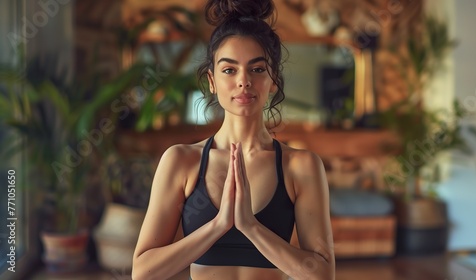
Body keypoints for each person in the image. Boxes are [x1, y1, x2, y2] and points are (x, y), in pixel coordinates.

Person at [132, 0, 335, 279]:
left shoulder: (300, 166)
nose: (244, 81)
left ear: (273, 80)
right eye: (229, 70)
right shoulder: (181, 160)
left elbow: (322, 274)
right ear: (212, 81)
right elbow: (143, 272)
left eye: (257, 69)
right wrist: (218, 226)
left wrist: (251, 227)